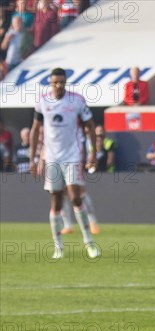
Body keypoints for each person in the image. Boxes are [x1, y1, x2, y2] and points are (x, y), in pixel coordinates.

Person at [28, 67, 100, 259]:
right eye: (55, 82)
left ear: (65, 82)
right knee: (56, 202)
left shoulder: (76, 100)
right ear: (50, 83)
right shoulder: (42, 101)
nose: (58, 85)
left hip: (73, 154)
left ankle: (89, 242)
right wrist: (33, 159)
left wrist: (93, 153)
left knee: (76, 197)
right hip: (51, 157)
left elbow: (90, 126)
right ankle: (58, 246)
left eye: (61, 82)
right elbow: (35, 130)